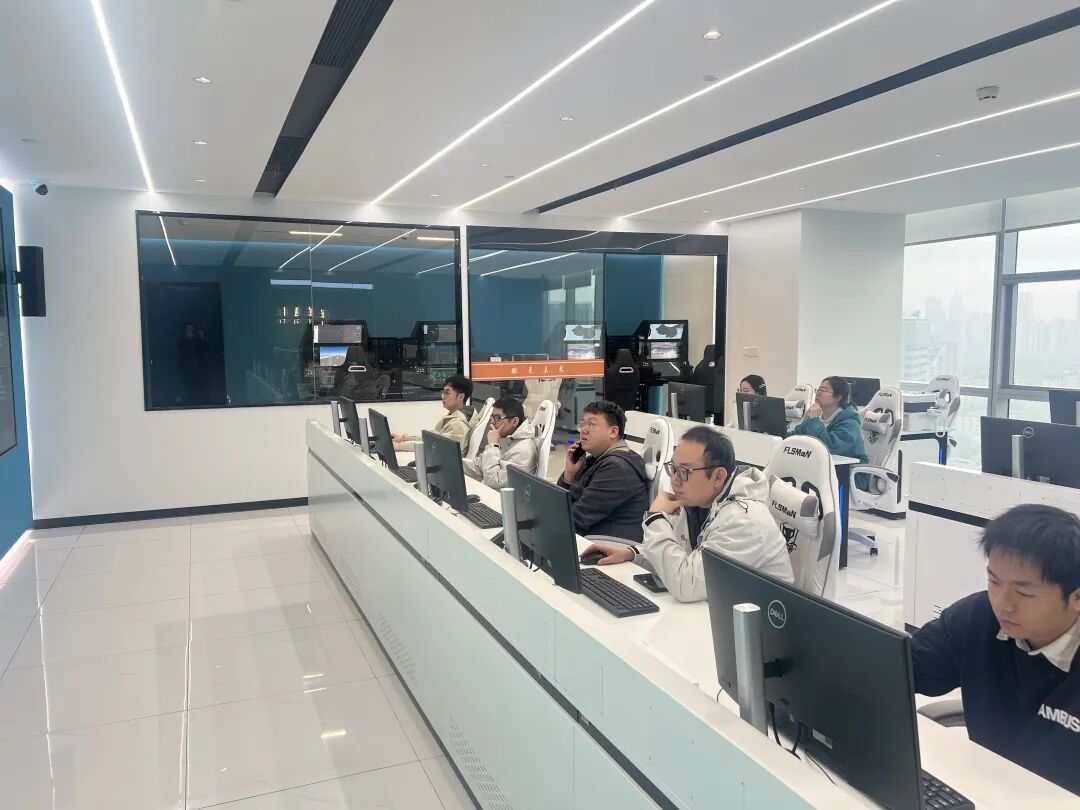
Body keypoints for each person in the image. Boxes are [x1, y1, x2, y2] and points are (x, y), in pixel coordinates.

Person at [911, 504, 1080, 795]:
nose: (1003, 604)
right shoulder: (976, 618)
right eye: (994, 581)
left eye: (1023, 592)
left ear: (1076, 597)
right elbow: (898, 670)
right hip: (985, 791)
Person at [581, 426, 793, 603]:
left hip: (760, 630)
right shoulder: (698, 501)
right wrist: (633, 554)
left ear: (718, 477)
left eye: (684, 472)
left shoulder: (744, 521)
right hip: (719, 609)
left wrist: (655, 518)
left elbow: (686, 584)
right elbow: (683, 554)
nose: (674, 480)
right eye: (673, 469)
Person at [557, 401, 649, 543]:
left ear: (613, 432)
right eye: (582, 424)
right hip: (588, 539)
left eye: (591, 424)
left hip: (604, 545)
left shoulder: (617, 468)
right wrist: (569, 475)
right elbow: (562, 505)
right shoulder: (595, 460)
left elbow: (576, 519)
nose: (584, 430)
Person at [464, 396, 538, 489]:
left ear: (514, 421)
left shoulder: (523, 451)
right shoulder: (507, 438)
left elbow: (493, 482)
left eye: (498, 418)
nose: (492, 423)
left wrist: (492, 446)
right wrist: (453, 463)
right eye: (492, 417)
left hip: (501, 496)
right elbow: (479, 467)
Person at [788, 376, 867, 462]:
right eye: (818, 389)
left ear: (838, 397)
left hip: (847, 467)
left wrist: (814, 420)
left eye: (823, 390)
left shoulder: (850, 422)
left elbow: (830, 447)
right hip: (820, 463)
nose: (818, 393)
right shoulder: (814, 415)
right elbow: (796, 436)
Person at [394, 374, 472, 452]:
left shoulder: (458, 424)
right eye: (443, 392)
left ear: (460, 397)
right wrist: (403, 438)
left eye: (447, 393)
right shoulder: (452, 417)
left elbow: (433, 446)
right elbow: (432, 439)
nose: (442, 396)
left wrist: (399, 446)